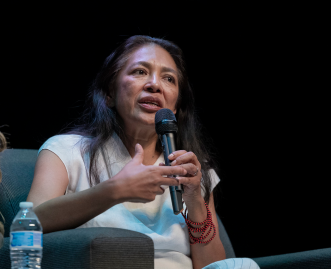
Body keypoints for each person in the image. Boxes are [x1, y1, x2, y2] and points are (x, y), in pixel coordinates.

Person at [26, 35, 259, 269]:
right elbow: (27, 224)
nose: (154, 84)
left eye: (169, 78)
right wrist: (116, 190)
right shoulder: (66, 151)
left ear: (175, 107)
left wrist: (196, 202)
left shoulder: (192, 172)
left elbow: (216, 266)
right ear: (109, 93)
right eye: (139, 72)